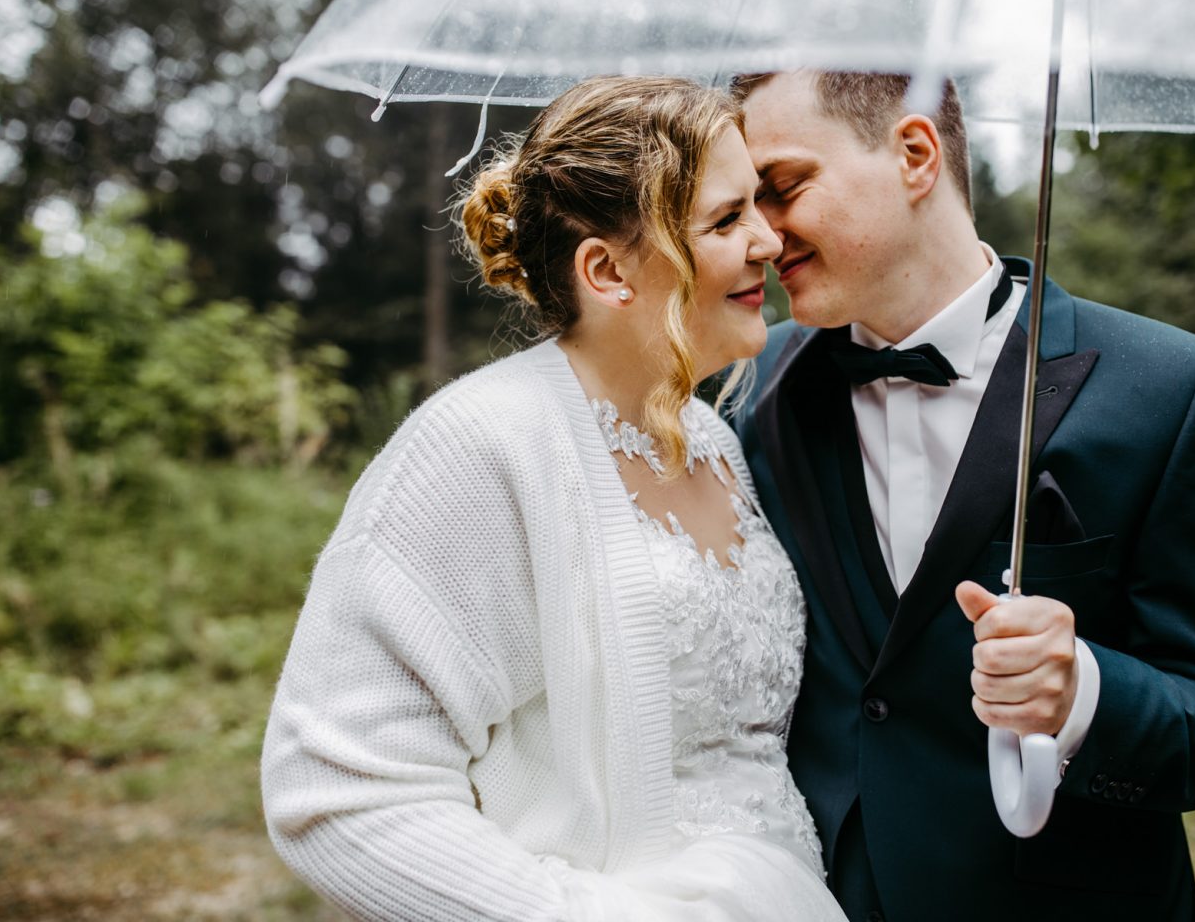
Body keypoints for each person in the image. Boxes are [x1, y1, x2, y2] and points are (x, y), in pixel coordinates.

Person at [261, 75, 847, 922]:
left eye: (757, 204)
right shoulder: (480, 445)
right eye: (725, 220)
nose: (768, 239)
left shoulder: (715, 439)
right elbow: (337, 790)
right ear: (607, 270)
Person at [729, 70, 1195, 922]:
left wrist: (1085, 691)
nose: (759, 238)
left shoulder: (1170, 391)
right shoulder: (750, 386)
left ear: (915, 155)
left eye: (783, 188)